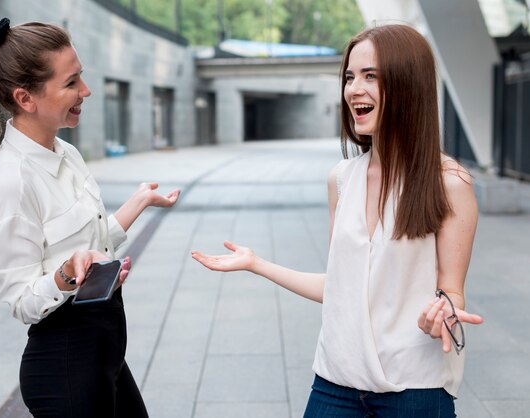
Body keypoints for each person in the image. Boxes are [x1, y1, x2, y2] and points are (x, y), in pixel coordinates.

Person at [191, 24, 483, 417]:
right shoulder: (342, 179)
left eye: (370, 77)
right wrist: (256, 264)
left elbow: (452, 292)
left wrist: (444, 313)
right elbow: (340, 286)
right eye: (349, 77)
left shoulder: (449, 183)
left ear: (407, 85)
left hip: (415, 387)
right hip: (335, 381)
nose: (353, 90)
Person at [0, 18, 180, 417]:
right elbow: (22, 300)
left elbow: (90, 248)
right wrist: (66, 274)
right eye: (71, 83)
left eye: (82, 77)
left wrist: (138, 203)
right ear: (26, 98)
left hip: (105, 355)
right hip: (66, 368)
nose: (86, 91)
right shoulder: (10, 181)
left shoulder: (67, 153)